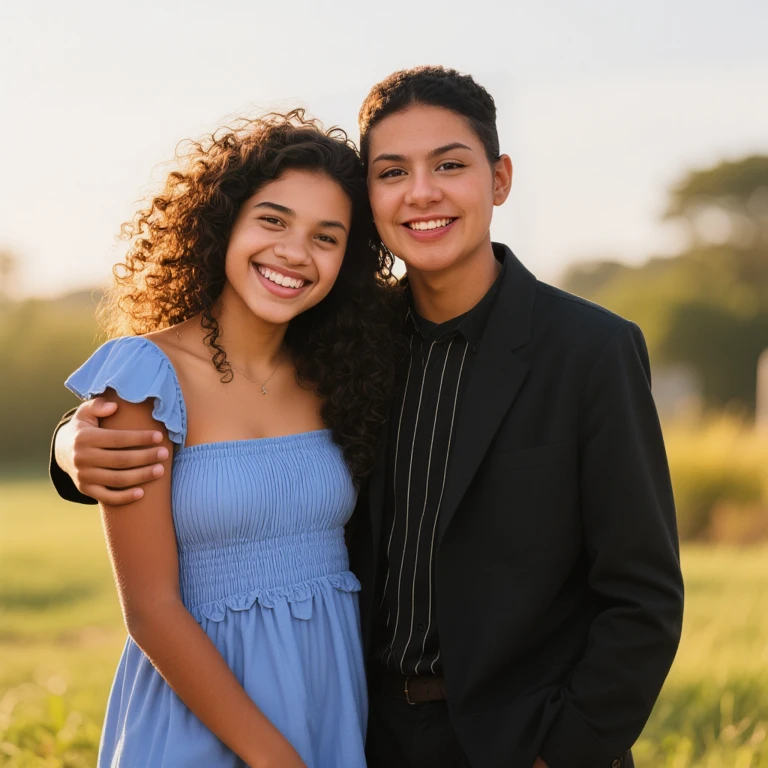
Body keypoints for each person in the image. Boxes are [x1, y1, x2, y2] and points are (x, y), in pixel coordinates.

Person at [50, 67, 684, 768]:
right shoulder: (354, 348)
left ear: (499, 179)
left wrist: (562, 753)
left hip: (519, 739)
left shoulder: (588, 350)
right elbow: (191, 446)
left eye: (449, 164)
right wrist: (70, 447)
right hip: (368, 731)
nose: (422, 192)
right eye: (392, 172)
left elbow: (642, 595)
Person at [55, 110, 400, 768]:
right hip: (201, 719)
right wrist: (274, 758)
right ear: (223, 225)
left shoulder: (344, 376)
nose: (294, 252)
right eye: (272, 220)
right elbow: (151, 610)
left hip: (329, 704)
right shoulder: (144, 380)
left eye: (326, 237)